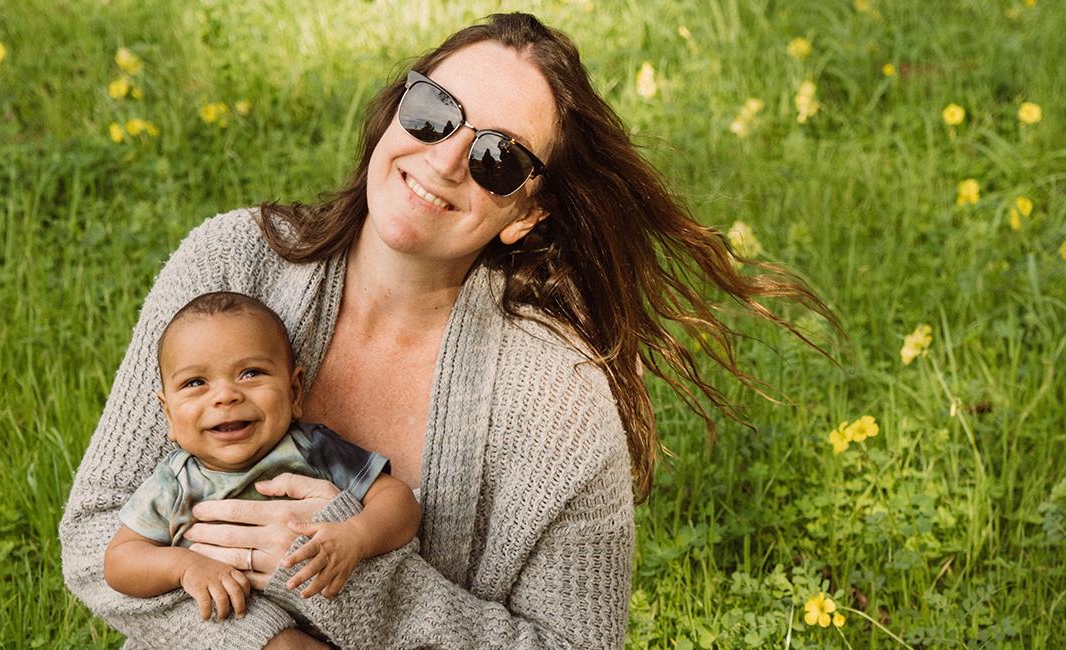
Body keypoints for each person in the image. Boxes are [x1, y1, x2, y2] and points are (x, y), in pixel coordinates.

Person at [60, 12, 833, 649]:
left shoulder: (556, 403)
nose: (445, 159)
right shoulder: (232, 263)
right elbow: (96, 537)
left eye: (499, 157)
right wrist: (270, 643)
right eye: (433, 111)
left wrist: (360, 572)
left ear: (527, 212)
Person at [103, 291, 421, 623]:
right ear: (168, 414)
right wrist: (183, 566)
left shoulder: (312, 448)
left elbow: (398, 501)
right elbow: (120, 560)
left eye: (251, 373)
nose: (226, 396)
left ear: (294, 392)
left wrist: (357, 535)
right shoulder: (176, 482)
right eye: (196, 382)